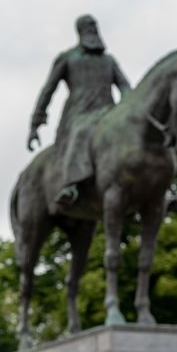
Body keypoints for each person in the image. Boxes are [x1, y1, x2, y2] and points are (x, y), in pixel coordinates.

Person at [28, 14, 131, 207]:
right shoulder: (68, 58)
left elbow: (124, 86)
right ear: (80, 30)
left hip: (108, 113)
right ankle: (70, 184)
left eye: (94, 25)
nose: (92, 28)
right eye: (88, 26)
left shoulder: (109, 61)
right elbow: (48, 90)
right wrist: (35, 124)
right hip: (79, 115)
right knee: (82, 132)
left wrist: (130, 106)